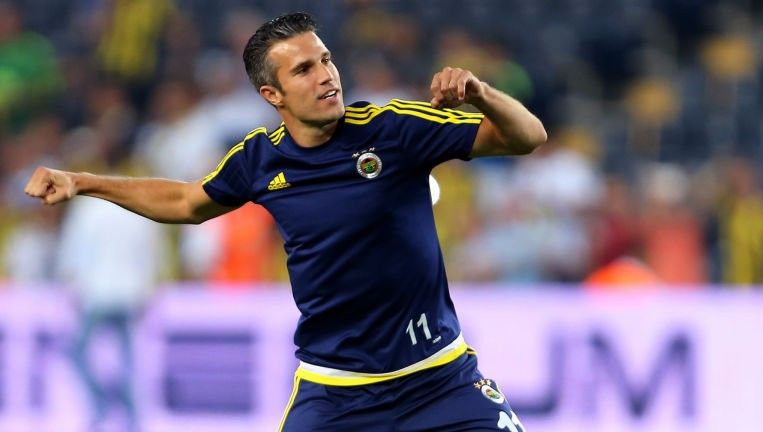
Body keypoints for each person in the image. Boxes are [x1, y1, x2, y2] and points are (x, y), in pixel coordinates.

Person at [25, 12, 546, 431]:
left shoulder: (393, 129)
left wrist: (481, 94)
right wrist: (84, 182)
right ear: (271, 95)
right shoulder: (259, 159)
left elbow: (528, 137)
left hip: (440, 380)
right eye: (303, 70)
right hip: (335, 394)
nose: (325, 76)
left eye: (326, 60)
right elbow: (186, 202)